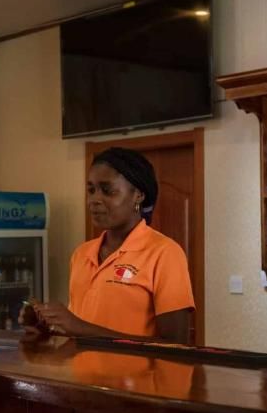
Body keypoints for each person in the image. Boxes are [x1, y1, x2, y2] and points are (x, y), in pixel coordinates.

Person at [25, 147, 195, 343]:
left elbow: (176, 346)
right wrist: (46, 327)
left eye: (108, 190)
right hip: (80, 374)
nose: (94, 200)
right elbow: (78, 333)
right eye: (91, 190)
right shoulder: (81, 254)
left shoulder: (164, 253)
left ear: (138, 195)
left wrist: (80, 327)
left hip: (136, 374)